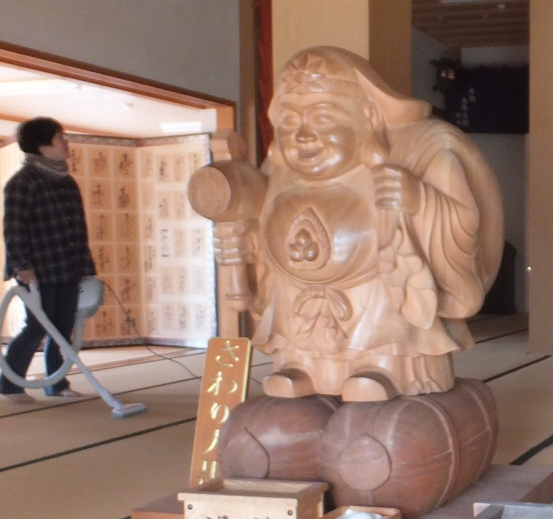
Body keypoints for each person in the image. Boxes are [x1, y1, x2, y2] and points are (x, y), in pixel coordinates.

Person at [208, 46, 503, 401]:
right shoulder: (275, 173)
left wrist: (419, 201)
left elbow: (464, 218)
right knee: (291, 317)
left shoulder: (419, 152)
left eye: (322, 118)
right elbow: (258, 236)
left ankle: (385, 369)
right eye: (289, 121)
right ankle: (301, 366)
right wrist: (247, 242)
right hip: (297, 293)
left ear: (368, 116)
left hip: (379, 294)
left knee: (387, 309)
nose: (303, 135)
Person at [0, 117, 97, 403]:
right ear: (43, 146)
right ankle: (9, 383)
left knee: (63, 328)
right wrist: (22, 266)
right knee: (38, 326)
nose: (66, 142)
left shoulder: (67, 181)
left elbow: (78, 228)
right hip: (37, 269)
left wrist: (84, 266)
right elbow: (14, 228)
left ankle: (56, 382)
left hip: (67, 266)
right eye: (59, 137)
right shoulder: (22, 182)